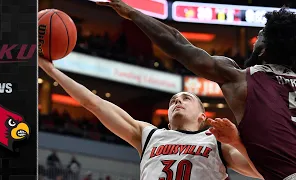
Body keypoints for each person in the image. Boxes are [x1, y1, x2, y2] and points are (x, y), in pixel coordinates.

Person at [96, 2, 296, 179]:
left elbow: (177, 44)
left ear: (263, 50)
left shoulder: (239, 80)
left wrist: (133, 13)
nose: (255, 40)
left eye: (259, 38)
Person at [38, 56, 262, 179]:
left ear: (203, 116)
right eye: (173, 100)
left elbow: (265, 173)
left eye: (186, 98)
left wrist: (237, 143)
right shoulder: (149, 135)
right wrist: (52, 71)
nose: (177, 101)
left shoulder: (216, 141)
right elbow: (93, 103)